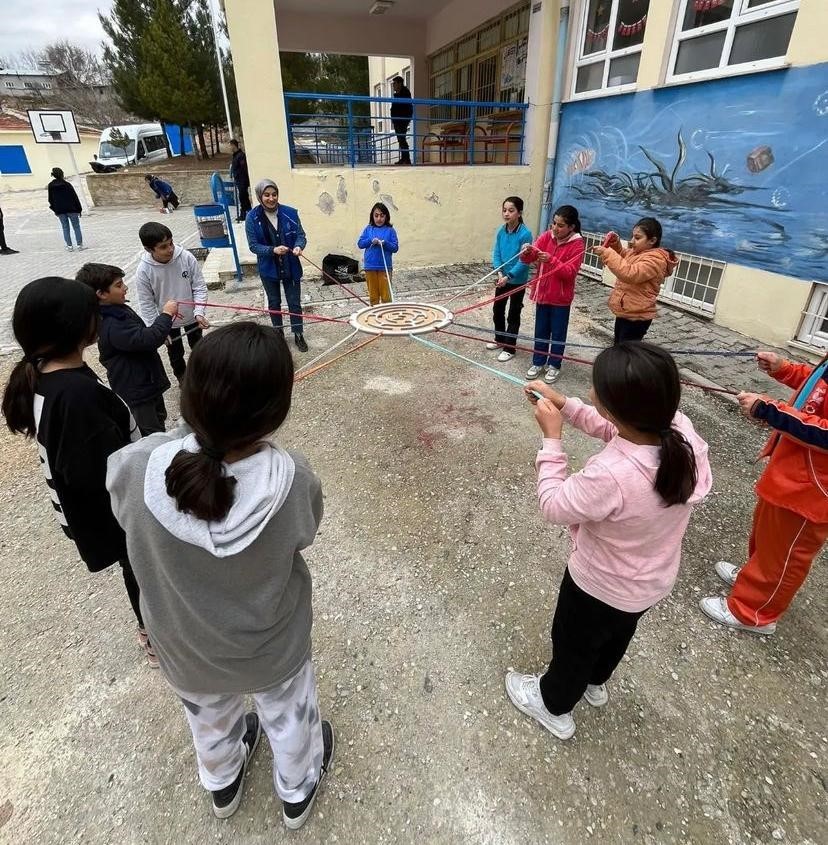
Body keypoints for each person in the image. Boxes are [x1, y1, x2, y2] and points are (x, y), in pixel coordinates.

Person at [106, 323, 334, 828]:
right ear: (275, 411)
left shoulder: (134, 467)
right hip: (270, 646)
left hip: (184, 645)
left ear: (188, 394)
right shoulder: (293, 479)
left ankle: (223, 783)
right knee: (290, 716)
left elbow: (125, 510)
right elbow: (306, 532)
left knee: (207, 718)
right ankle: (297, 790)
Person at [505, 341, 711, 740]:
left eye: (596, 389)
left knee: (573, 645)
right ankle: (595, 682)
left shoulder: (611, 474)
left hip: (598, 585)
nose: (591, 391)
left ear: (616, 410)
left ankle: (553, 705)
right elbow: (615, 428)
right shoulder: (678, 431)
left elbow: (554, 505)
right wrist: (564, 404)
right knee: (616, 635)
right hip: (647, 585)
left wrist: (552, 440)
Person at [0, 277, 157, 666]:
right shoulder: (76, 395)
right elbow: (103, 472)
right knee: (142, 569)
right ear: (77, 326)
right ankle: (156, 635)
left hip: (106, 509)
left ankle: (151, 627)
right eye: (94, 313)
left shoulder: (48, 373)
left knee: (137, 566)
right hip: (118, 513)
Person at [700, 350, 828, 634]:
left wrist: (768, 410)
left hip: (814, 489)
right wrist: (784, 369)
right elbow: (818, 386)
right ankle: (752, 580)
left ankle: (754, 612)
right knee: (767, 538)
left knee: (784, 555)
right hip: (793, 472)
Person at [76, 263, 177, 435]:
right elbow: (145, 340)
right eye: (118, 285)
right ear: (101, 294)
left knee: (159, 420)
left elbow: (139, 337)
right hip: (136, 390)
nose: (125, 287)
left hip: (146, 383)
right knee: (149, 433)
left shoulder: (117, 310)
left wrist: (159, 334)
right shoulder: (111, 323)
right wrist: (166, 316)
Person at [134, 222, 209, 383]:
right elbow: (146, 304)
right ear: (149, 249)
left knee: (199, 349)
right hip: (167, 321)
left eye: (171, 243)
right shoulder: (143, 270)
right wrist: (157, 329)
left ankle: (203, 378)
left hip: (193, 316)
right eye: (163, 247)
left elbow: (199, 287)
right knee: (175, 354)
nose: (170, 249)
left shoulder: (186, 257)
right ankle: (183, 380)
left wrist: (199, 312)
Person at [519, 204, 584, 383]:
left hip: (560, 299)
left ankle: (554, 365)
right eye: (554, 223)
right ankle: (538, 362)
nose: (555, 228)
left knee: (558, 333)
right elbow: (529, 258)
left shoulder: (577, 244)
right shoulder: (547, 236)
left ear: (571, 227)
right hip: (543, 293)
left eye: (560, 225)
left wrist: (552, 260)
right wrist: (526, 251)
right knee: (540, 330)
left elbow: (570, 273)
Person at [244, 180, 308, 352]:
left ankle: (298, 333)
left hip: (290, 265)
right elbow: (253, 246)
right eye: (266, 195)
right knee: (274, 302)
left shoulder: (290, 213)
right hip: (268, 267)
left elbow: (301, 235)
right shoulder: (252, 217)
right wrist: (272, 250)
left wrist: (298, 246)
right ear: (260, 196)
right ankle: (278, 335)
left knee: (294, 302)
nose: (271, 198)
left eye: (274, 194)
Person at [592, 217, 677, 344]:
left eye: (637, 238)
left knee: (627, 351)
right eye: (632, 236)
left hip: (638, 316)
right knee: (619, 346)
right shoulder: (637, 252)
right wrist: (615, 244)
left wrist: (607, 253)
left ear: (652, 240)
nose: (632, 241)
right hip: (626, 310)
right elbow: (623, 257)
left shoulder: (655, 260)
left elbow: (629, 273)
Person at [486, 196, 533, 363]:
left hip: (517, 280)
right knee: (498, 309)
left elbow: (524, 261)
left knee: (513, 313)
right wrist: (499, 273)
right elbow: (497, 253)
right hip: (502, 278)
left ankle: (509, 348)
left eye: (511, 210)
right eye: (504, 210)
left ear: (519, 213)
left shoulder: (525, 234)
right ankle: (499, 339)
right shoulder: (501, 231)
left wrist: (509, 276)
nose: (506, 214)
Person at [357, 202, 399, 306]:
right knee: (373, 297)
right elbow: (360, 244)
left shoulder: (390, 230)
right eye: (376, 215)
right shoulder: (368, 229)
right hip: (370, 267)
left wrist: (385, 243)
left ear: (386, 216)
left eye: (382, 216)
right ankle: (374, 314)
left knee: (386, 297)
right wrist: (370, 240)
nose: (379, 218)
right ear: (372, 216)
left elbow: (395, 248)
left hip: (385, 268)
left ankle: (387, 314)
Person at [47, 168, 84, 251]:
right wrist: (79, 209)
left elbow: (50, 199)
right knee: (76, 227)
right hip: (72, 209)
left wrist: (55, 210)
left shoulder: (50, 186)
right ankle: (79, 245)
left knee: (65, 228)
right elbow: (75, 197)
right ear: (62, 174)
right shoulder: (67, 184)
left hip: (60, 210)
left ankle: (69, 246)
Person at [390, 75, 413, 166]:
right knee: (400, 139)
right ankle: (404, 158)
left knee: (402, 139)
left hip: (402, 120)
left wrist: (404, 119)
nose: (393, 85)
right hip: (397, 120)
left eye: (395, 83)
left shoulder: (405, 93)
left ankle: (407, 159)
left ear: (400, 83)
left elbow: (406, 107)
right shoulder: (397, 93)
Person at [229, 139, 252, 221]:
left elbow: (244, 168)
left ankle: (243, 215)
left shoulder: (241, 155)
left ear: (233, 145)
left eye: (230, 146)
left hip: (242, 180)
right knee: (244, 198)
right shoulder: (235, 155)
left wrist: (244, 180)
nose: (229, 148)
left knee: (243, 198)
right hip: (239, 180)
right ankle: (250, 213)